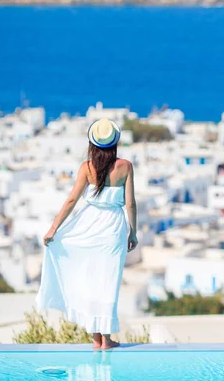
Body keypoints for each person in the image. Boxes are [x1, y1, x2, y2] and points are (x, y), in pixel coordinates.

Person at [36, 118, 138, 350]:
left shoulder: (86, 167)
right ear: (115, 143)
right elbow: (130, 203)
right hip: (113, 228)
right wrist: (133, 232)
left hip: (88, 226)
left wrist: (54, 229)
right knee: (107, 283)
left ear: (92, 143)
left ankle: (96, 339)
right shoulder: (125, 167)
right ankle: (107, 339)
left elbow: (72, 200)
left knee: (90, 281)